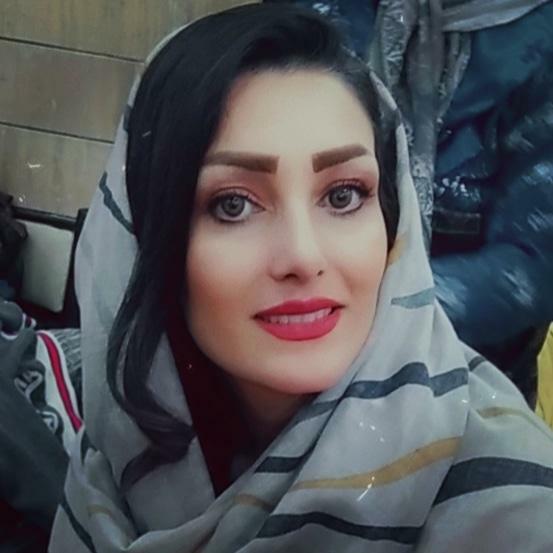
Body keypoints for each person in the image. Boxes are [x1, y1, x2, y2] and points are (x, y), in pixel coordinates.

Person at [49, 5, 553, 552]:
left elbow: (534, 257)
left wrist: (399, 309)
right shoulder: (117, 455)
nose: (303, 256)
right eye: (233, 204)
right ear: (149, 238)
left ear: (393, 222)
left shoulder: (509, 510)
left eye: (344, 195)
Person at [271, 0, 553, 403]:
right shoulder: (317, 14)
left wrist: (367, 314)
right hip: (289, 355)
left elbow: (535, 265)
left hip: (461, 380)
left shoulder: (538, 43)